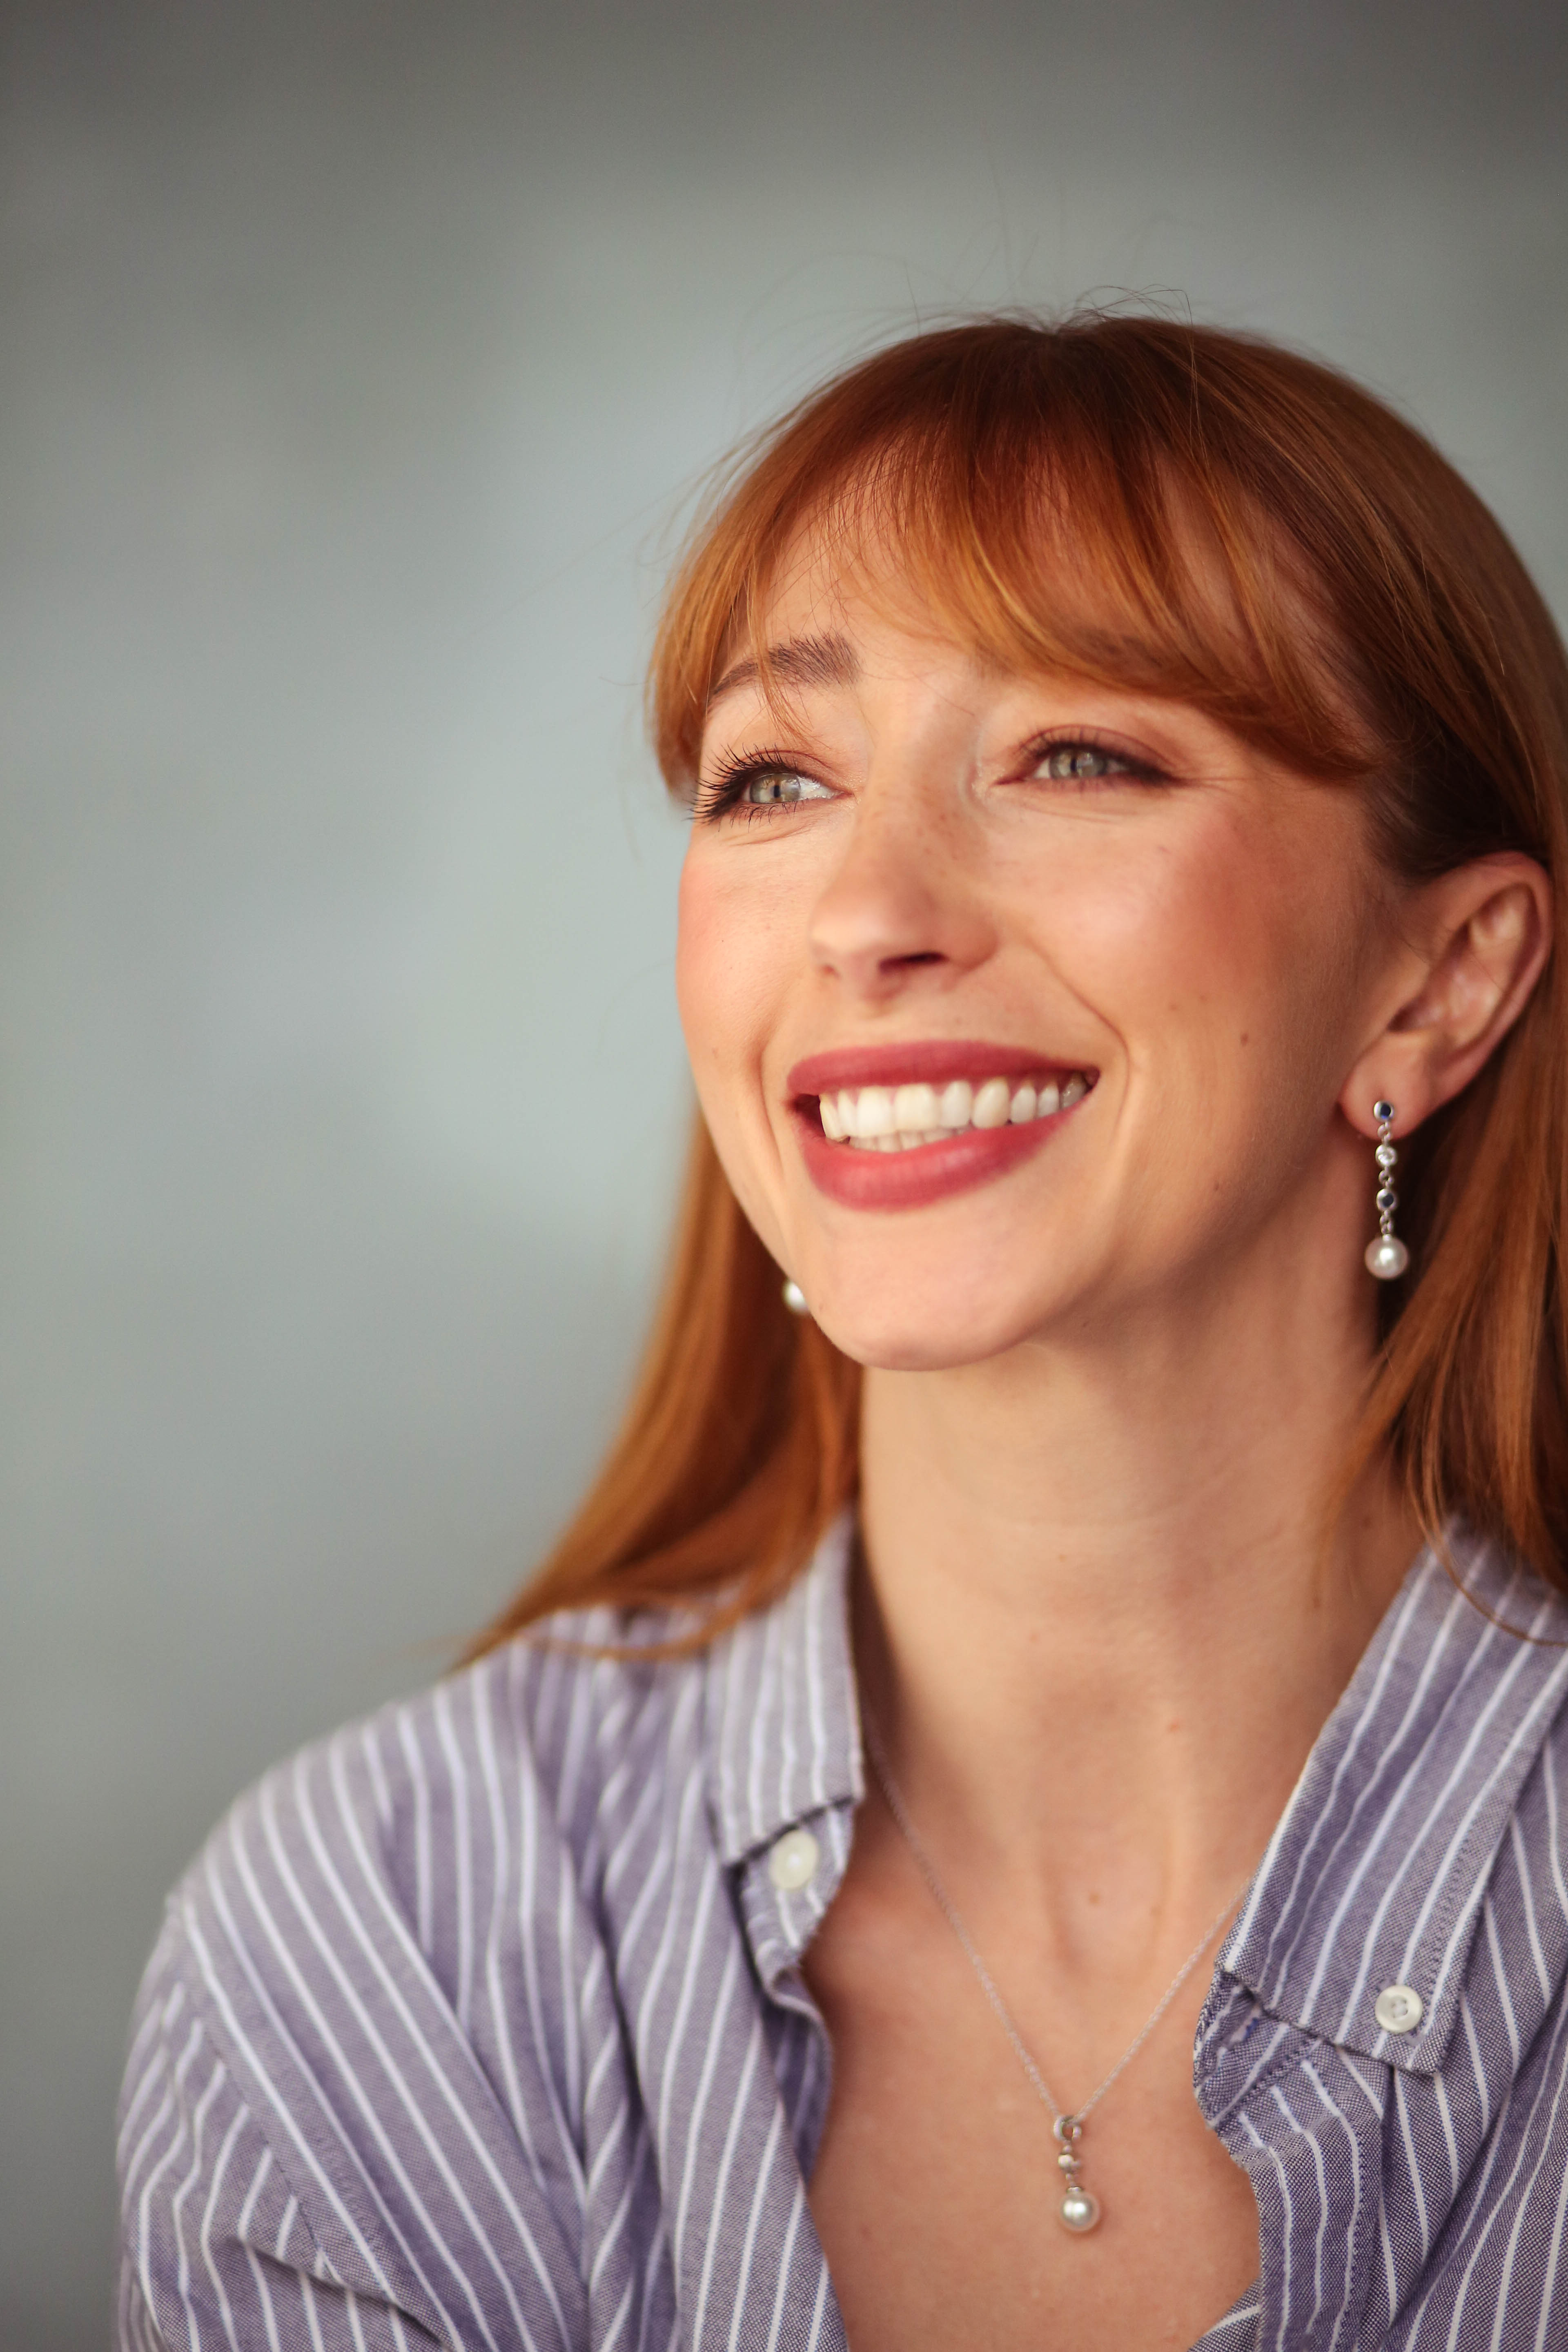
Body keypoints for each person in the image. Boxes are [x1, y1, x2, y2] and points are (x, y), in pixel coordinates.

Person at [117, 314, 1568, 2352]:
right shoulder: (388, 1934)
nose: (869, 909)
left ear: (1442, 981)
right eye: (773, 778)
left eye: (1080, 754)